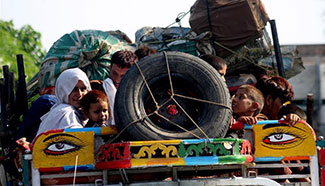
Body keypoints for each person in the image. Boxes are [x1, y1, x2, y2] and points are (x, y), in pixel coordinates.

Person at [35, 68, 91, 137]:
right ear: (63, 90)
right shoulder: (66, 113)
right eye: (73, 89)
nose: (79, 94)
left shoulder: (82, 114)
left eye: (83, 89)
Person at [103, 50, 138, 125]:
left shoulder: (140, 95)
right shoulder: (100, 90)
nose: (117, 80)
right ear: (110, 68)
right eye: (114, 73)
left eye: (123, 76)